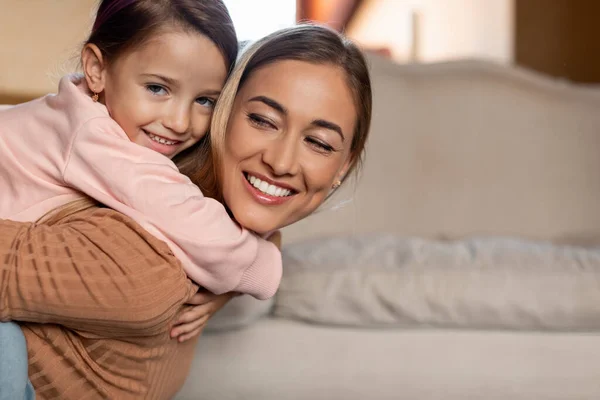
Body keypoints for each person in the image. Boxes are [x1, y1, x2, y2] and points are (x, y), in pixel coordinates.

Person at [0, 23, 373, 399]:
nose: (281, 162)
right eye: (262, 120)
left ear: (344, 165)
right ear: (222, 112)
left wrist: (241, 274)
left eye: (319, 142)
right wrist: (250, 267)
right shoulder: (149, 256)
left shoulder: (206, 234)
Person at [0, 0, 282, 301]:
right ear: (97, 68)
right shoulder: (92, 134)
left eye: (205, 101)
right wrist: (267, 263)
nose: (179, 122)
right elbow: (206, 238)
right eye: (157, 89)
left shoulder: (74, 113)